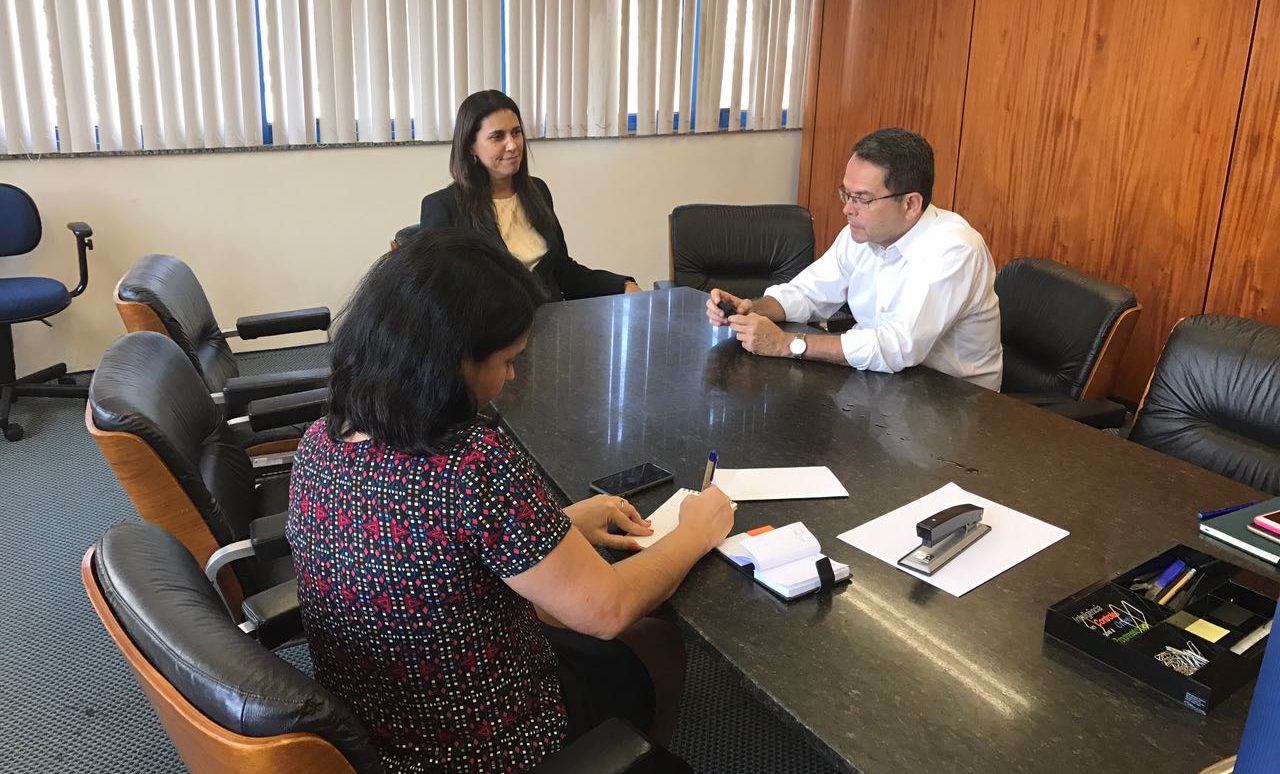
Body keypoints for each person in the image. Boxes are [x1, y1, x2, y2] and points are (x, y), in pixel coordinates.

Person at [286, 229, 733, 772]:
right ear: (450, 364)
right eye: (507, 360)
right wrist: (696, 532)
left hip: (370, 732)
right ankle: (629, 756)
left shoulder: (321, 440)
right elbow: (607, 611)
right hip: (484, 747)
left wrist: (560, 523)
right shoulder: (472, 463)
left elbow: (421, 549)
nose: (512, 375)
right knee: (653, 635)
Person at [706, 127, 1003, 391]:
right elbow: (809, 292)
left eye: (862, 199)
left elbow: (897, 346)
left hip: (956, 406)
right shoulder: (862, 233)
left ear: (911, 204)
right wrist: (751, 308)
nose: (848, 209)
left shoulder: (955, 249)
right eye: (846, 195)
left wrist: (788, 344)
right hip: (888, 386)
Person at [420, 90, 643, 301]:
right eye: (498, 136)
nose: (512, 145)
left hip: (551, 322)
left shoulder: (538, 191)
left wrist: (621, 285)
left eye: (516, 133)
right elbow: (443, 299)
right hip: (491, 335)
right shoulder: (443, 207)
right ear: (471, 147)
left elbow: (562, 271)